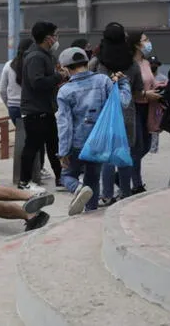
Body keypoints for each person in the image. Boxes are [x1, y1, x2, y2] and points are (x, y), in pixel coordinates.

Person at [56, 47, 131, 215]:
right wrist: (124, 83)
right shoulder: (103, 81)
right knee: (93, 179)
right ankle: (92, 213)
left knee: (66, 176)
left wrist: (63, 152)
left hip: (77, 143)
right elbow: (122, 103)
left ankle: (78, 189)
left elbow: (64, 125)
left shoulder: (65, 91)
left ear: (66, 68)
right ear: (87, 63)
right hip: (99, 142)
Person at [96, 22, 143, 206]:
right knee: (125, 154)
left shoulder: (98, 63)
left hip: (105, 115)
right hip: (127, 114)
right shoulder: (132, 64)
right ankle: (125, 193)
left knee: (107, 157)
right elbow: (138, 90)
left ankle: (107, 195)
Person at [18, 21, 65, 191]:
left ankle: (61, 177)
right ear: (48, 38)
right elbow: (36, 82)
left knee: (54, 145)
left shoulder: (44, 55)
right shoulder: (36, 57)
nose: (57, 39)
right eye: (56, 35)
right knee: (32, 146)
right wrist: (58, 77)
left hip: (45, 109)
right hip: (35, 111)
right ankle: (24, 181)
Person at [127, 31, 163, 195]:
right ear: (136, 44)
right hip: (134, 107)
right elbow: (129, 89)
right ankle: (137, 184)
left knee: (147, 145)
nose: (148, 42)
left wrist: (160, 86)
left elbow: (151, 82)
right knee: (137, 147)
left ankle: (120, 175)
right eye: (145, 39)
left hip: (148, 107)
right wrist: (145, 94)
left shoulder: (146, 63)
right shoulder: (129, 64)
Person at [0, 38, 34, 126]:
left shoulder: (8, 65)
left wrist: (9, 105)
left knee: (21, 135)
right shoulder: (34, 65)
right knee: (32, 137)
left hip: (13, 108)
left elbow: (2, 90)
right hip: (30, 108)